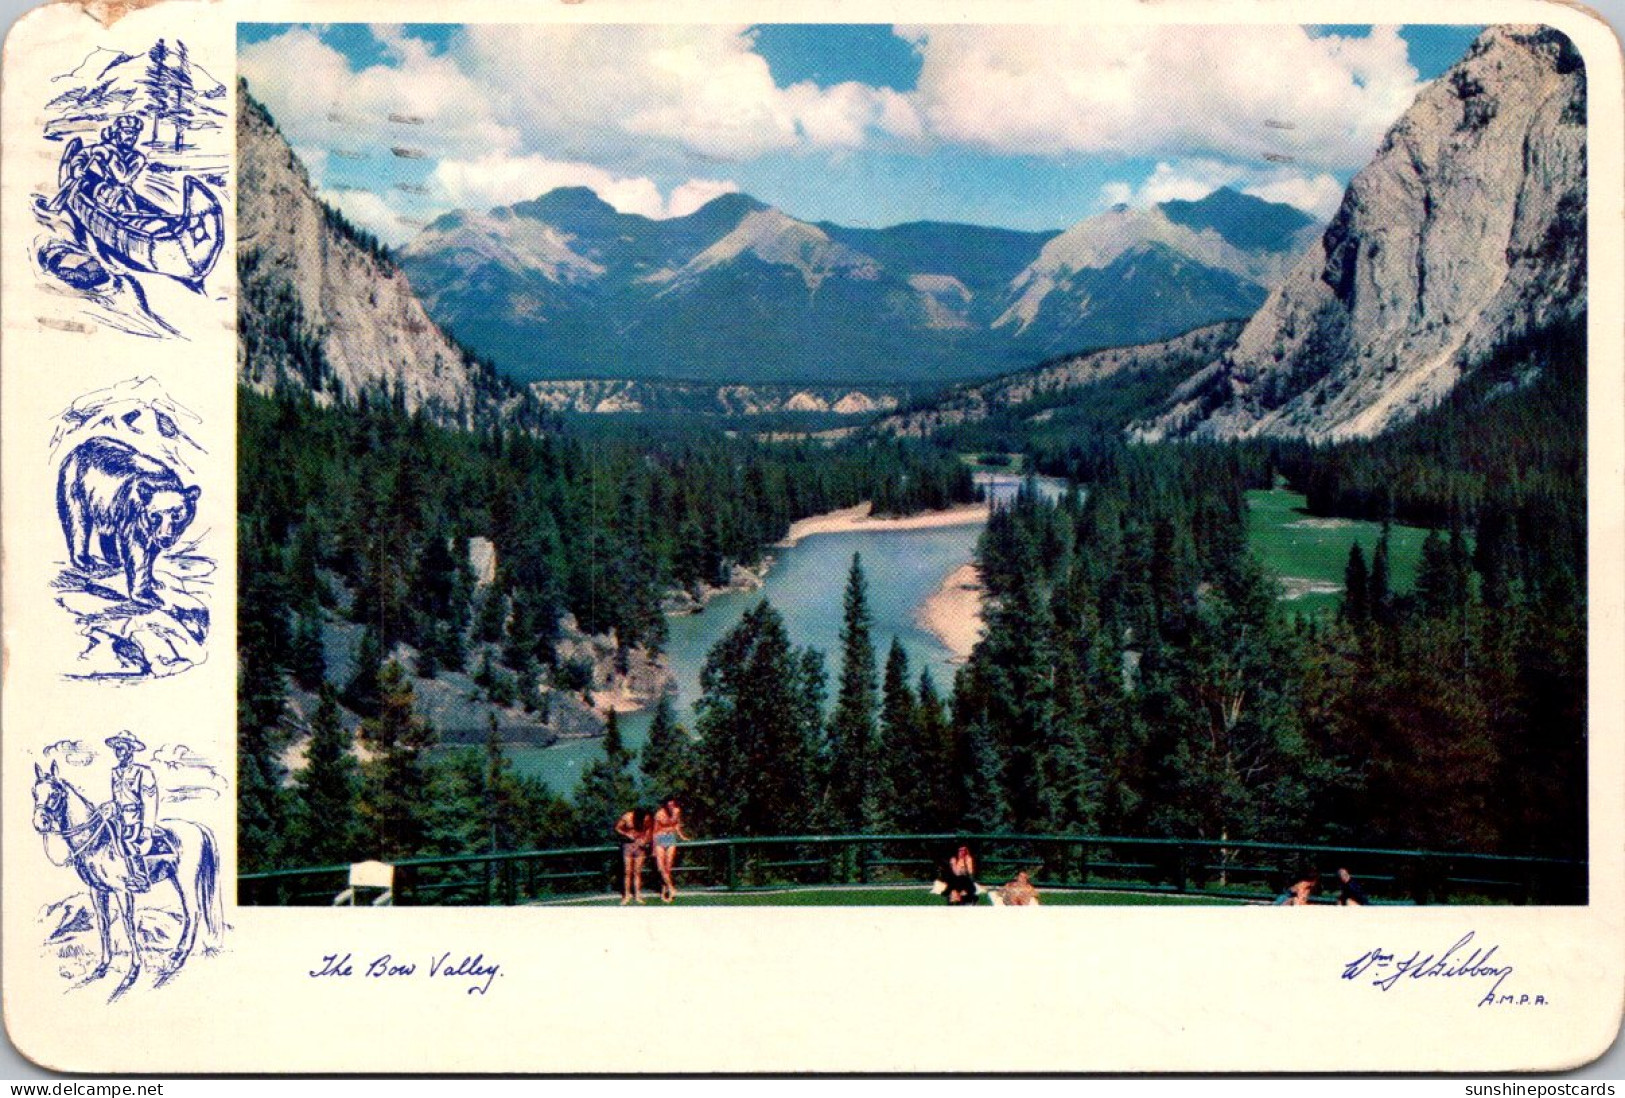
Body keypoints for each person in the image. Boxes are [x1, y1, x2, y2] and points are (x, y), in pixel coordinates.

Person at [106, 731, 158, 891]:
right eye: (116, 748)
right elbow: (117, 798)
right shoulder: (114, 772)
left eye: (121, 748)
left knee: (129, 843)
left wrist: (148, 827)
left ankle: (141, 878)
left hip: (136, 819)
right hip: (118, 819)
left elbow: (150, 799)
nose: (118, 752)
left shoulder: (143, 772)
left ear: (130, 750)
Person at [651, 796, 689, 903]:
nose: (671, 807)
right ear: (665, 805)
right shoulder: (659, 814)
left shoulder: (677, 811)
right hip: (660, 838)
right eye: (669, 805)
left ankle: (665, 892)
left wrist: (682, 836)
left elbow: (677, 824)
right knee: (660, 867)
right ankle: (671, 888)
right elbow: (654, 831)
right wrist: (654, 848)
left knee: (668, 867)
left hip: (671, 837)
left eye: (672, 805)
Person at [614, 807, 654, 905]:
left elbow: (649, 830)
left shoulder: (646, 818)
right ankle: (627, 895)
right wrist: (627, 834)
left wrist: (645, 841)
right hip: (628, 845)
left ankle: (638, 895)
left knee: (637, 872)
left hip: (640, 846)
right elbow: (617, 828)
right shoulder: (627, 817)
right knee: (627, 872)